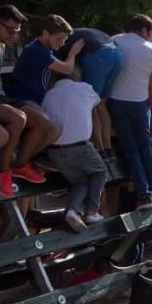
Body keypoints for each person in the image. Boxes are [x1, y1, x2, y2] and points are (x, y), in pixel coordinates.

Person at [0, 5, 62, 197]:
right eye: (10, 30)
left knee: (45, 124)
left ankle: (19, 165)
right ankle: (3, 171)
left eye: (17, 31)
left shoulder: (2, 45)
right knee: (18, 118)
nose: (13, 35)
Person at [110, 14, 152, 210]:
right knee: (144, 148)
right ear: (143, 30)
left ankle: (144, 195)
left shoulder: (114, 41)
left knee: (130, 149)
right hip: (138, 103)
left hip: (116, 101)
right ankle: (151, 193)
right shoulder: (151, 51)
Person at [40, 74, 108, 232]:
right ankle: (92, 211)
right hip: (80, 146)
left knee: (81, 181)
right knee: (100, 172)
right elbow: (98, 102)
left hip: (55, 150)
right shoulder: (83, 88)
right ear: (76, 76)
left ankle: (73, 211)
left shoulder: (49, 95)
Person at [58, 26, 124, 158]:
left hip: (98, 55)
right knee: (101, 103)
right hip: (118, 54)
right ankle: (109, 148)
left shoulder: (60, 42)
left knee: (90, 105)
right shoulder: (80, 33)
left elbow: (67, 68)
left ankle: (99, 149)